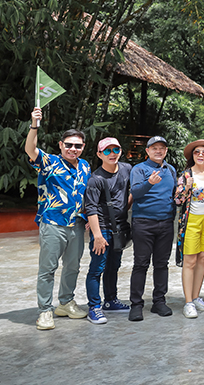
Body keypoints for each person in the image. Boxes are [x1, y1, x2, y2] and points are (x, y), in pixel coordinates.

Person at [26, 107, 91, 330]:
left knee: (72, 266)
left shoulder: (85, 166)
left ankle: (65, 303)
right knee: (48, 268)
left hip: (77, 224)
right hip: (53, 223)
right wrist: (34, 124)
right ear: (61, 145)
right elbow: (30, 149)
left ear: (83, 147)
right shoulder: (49, 162)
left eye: (78, 146)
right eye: (69, 145)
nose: (73, 149)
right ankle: (45, 310)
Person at [82, 137, 132, 324]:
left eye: (116, 150)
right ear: (99, 154)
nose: (112, 154)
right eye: (107, 151)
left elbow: (131, 192)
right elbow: (91, 208)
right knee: (97, 268)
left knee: (114, 266)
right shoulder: (96, 179)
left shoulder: (127, 169)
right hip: (102, 229)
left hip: (119, 228)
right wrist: (97, 235)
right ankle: (94, 307)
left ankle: (110, 301)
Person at [129, 135, 178, 321]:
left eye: (161, 148)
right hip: (143, 223)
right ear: (147, 151)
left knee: (161, 264)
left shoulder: (170, 170)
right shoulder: (139, 169)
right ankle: (136, 304)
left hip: (166, 223)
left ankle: (159, 301)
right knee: (141, 264)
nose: (158, 151)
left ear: (166, 151)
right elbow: (135, 192)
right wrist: (149, 182)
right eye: (154, 148)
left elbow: (174, 194)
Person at [174, 139, 204, 319]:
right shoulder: (186, 175)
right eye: (197, 152)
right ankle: (188, 302)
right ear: (192, 155)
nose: (201, 155)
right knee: (190, 261)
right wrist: (187, 187)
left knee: (203, 259)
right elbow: (177, 200)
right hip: (191, 221)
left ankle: (195, 296)